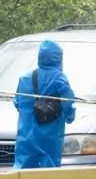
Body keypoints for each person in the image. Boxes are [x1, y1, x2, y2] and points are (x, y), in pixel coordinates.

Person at [14, 40, 76, 169]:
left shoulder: (24, 78)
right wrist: (70, 116)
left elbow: (17, 102)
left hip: (26, 132)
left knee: (23, 169)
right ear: (58, 58)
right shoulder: (59, 78)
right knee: (49, 169)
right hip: (49, 132)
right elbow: (68, 102)